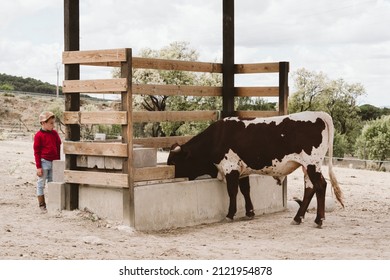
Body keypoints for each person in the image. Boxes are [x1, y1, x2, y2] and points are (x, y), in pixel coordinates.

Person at [33, 111, 62, 212]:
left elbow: (58, 146)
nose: (53, 125)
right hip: (44, 162)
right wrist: (38, 167)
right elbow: (36, 152)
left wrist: (58, 161)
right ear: (43, 123)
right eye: (51, 123)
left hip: (54, 162)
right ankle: (42, 205)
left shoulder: (54, 133)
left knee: (52, 183)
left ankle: (53, 204)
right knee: (41, 183)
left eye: (54, 123)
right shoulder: (38, 136)